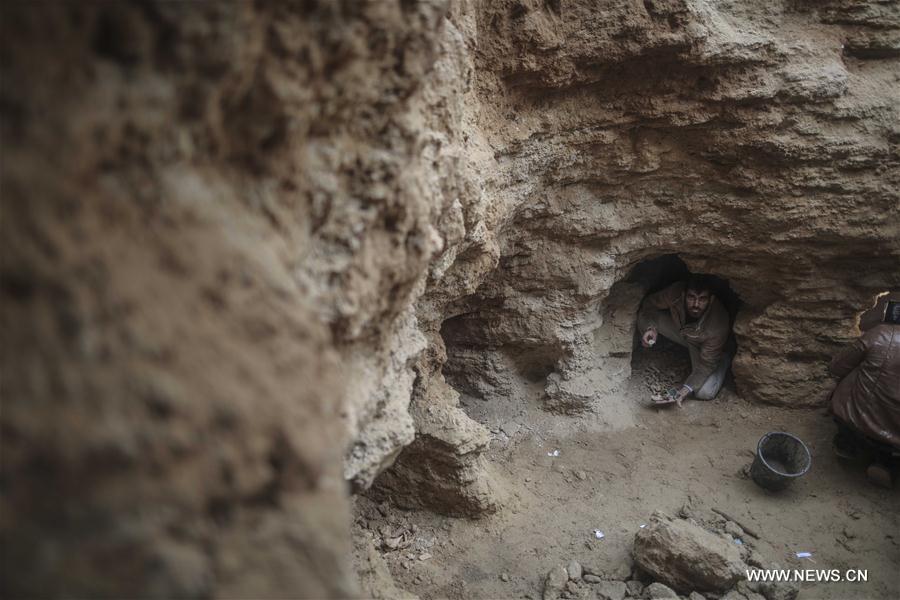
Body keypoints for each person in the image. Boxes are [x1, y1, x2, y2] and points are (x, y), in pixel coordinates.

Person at [829, 297, 900, 488]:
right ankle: (886, 464)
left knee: (854, 373)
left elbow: (838, 367)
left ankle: (848, 442)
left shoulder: (881, 334)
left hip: (863, 419)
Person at [637, 274, 733, 406]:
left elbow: (706, 365)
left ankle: (723, 359)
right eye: (691, 297)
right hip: (683, 332)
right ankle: (647, 345)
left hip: (703, 345)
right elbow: (649, 304)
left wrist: (683, 391)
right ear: (683, 295)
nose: (696, 305)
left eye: (702, 299)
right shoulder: (674, 293)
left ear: (711, 300)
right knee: (643, 317)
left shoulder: (718, 324)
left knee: (705, 392)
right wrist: (651, 328)